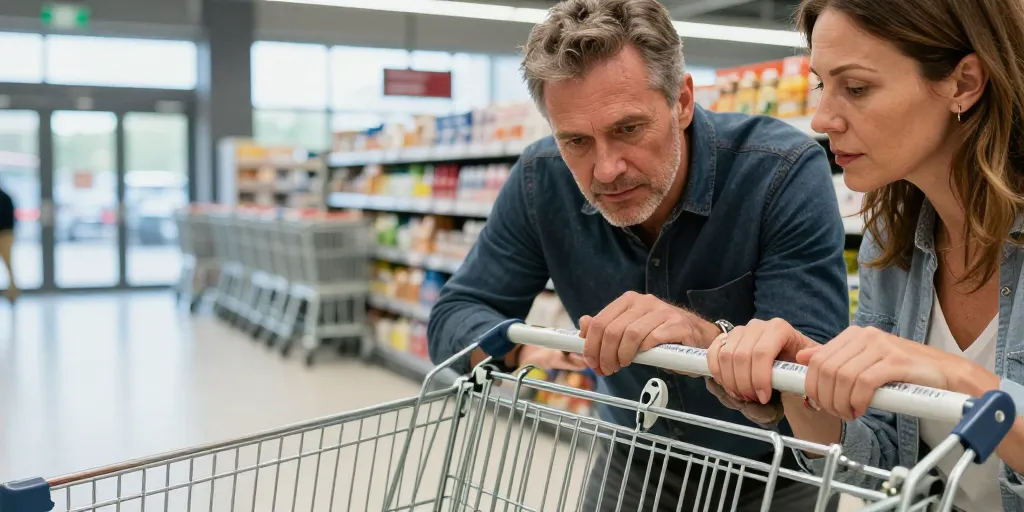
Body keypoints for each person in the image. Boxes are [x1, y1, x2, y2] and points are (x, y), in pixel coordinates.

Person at [426, 0, 849, 508]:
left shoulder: (781, 172)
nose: (606, 169)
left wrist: (706, 341)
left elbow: (814, 371)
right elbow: (453, 317)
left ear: (682, 101)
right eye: (576, 141)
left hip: (774, 471)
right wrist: (518, 348)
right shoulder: (541, 182)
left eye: (628, 129)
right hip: (632, 459)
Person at [704, 0, 1024, 510]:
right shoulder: (892, 238)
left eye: (856, 88)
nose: (821, 118)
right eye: (821, 85)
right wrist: (801, 378)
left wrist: (957, 378)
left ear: (963, 83)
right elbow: (880, 465)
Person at [0, 185, 16, 305]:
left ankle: (13, 291)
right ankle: (13, 291)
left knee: (8, 264)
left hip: (5, 234)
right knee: (9, 265)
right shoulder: (7, 197)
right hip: (8, 233)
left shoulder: (5, 198)